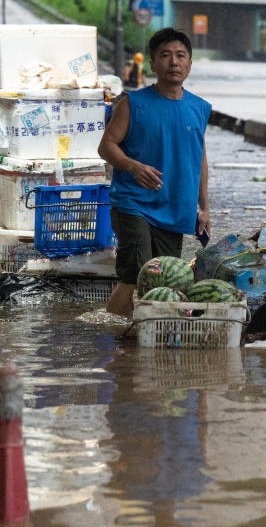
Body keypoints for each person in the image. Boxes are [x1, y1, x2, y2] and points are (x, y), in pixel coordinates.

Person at [98, 28, 211, 315]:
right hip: (134, 204)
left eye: (180, 55)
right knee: (137, 277)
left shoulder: (199, 108)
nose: (174, 62)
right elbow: (106, 146)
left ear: (189, 64)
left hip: (175, 210)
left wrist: (204, 208)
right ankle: (111, 339)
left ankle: (139, 337)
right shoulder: (132, 104)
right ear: (153, 64)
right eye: (165, 55)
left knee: (164, 282)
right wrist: (133, 166)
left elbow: (199, 159)